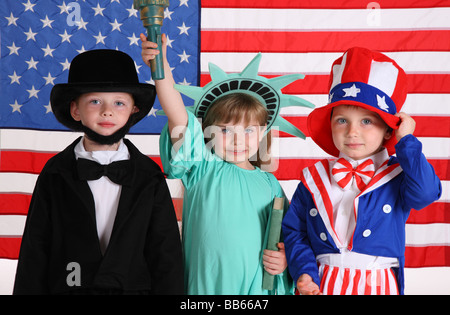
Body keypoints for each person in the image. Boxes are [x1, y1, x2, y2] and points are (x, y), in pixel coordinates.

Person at [141, 34, 315, 294]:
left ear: (264, 131)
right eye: (225, 130)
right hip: (207, 289)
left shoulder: (270, 184)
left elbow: (286, 237)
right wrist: (161, 68)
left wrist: (284, 259)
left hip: (256, 290)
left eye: (249, 130)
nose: (237, 140)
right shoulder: (203, 167)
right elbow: (177, 114)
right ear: (205, 133)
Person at [13, 49, 184, 295]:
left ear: (133, 110)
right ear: (75, 110)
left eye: (119, 102)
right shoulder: (55, 173)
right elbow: (35, 250)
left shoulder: (149, 175)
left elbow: (165, 254)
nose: (107, 111)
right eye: (95, 101)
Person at [282, 47, 442, 295]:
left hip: (378, 283)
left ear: (389, 131)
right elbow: (296, 231)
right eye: (342, 120)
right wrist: (304, 272)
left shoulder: (399, 175)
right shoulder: (313, 177)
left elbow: (427, 193)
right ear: (331, 125)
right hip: (322, 282)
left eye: (367, 121)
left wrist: (407, 140)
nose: (352, 132)